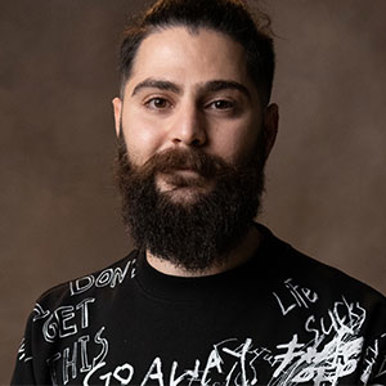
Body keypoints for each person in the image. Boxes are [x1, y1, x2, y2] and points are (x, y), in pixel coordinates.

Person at [11, 0, 386, 384]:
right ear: (120, 121)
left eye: (221, 104)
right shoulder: (57, 328)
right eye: (159, 102)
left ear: (268, 131)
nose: (188, 132)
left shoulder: (360, 336)